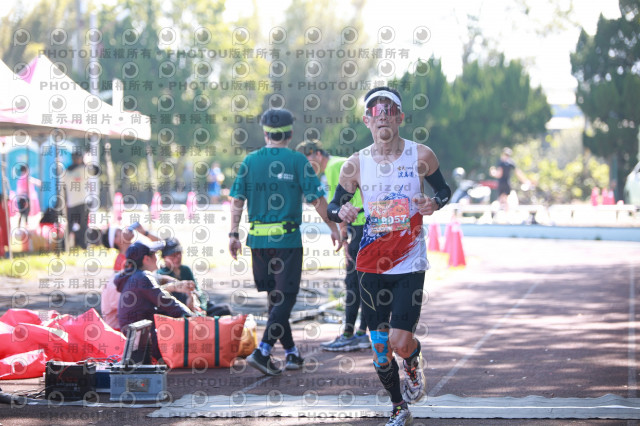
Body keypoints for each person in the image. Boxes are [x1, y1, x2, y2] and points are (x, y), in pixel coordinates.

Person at [326, 87, 451, 425]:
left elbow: (444, 190)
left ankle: (411, 362)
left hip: (409, 261)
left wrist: (434, 203)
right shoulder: (355, 164)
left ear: (400, 118)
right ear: (366, 120)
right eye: (375, 112)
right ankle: (398, 407)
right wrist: (341, 212)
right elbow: (334, 205)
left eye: (389, 111)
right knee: (381, 348)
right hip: (370, 263)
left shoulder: (421, 155)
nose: (382, 116)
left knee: (400, 342)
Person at [229, 108, 340, 376]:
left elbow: (237, 200)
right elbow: (317, 200)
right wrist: (333, 228)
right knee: (286, 298)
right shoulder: (297, 161)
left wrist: (233, 234)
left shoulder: (250, 161)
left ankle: (291, 353)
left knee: (276, 300)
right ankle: (263, 350)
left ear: (265, 133)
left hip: (257, 241)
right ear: (290, 134)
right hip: (287, 241)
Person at [296, 139, 370, 352]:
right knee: (363, 282)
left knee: (355, 283)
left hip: (360, 226)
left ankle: (352, 334)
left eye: (308, 160)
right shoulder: (337, 164)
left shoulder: (336, 166)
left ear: (317, 154)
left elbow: (343, 201)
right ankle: (359, 333)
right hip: (362, 225)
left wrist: (343, 232)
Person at [114, 240, 195, 361]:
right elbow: (167, 302)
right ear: (146, 259)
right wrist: (193, 317)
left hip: (137, 337)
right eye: (155, 254)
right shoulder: (142, 277)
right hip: (145, 340)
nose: (158, 258)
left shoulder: (134, 276)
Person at [157, 237, 233, 317]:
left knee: (225, 308)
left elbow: (198, 291)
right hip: (179, 310)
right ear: (164, 257)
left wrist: (202, 308)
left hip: (197, 306)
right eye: (173, 255)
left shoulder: (185, 270)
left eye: (179, 253)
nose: (177, 258)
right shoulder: (161, 275)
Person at [62, 152, 90, 248]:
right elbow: (63, 187)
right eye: (76, 158)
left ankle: (83, 244)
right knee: (70, 225)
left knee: (83, 225)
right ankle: (64, 245)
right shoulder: (68, 171)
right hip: (72, 203)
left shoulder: (84, 169)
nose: (77, 160)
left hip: (82, 202)